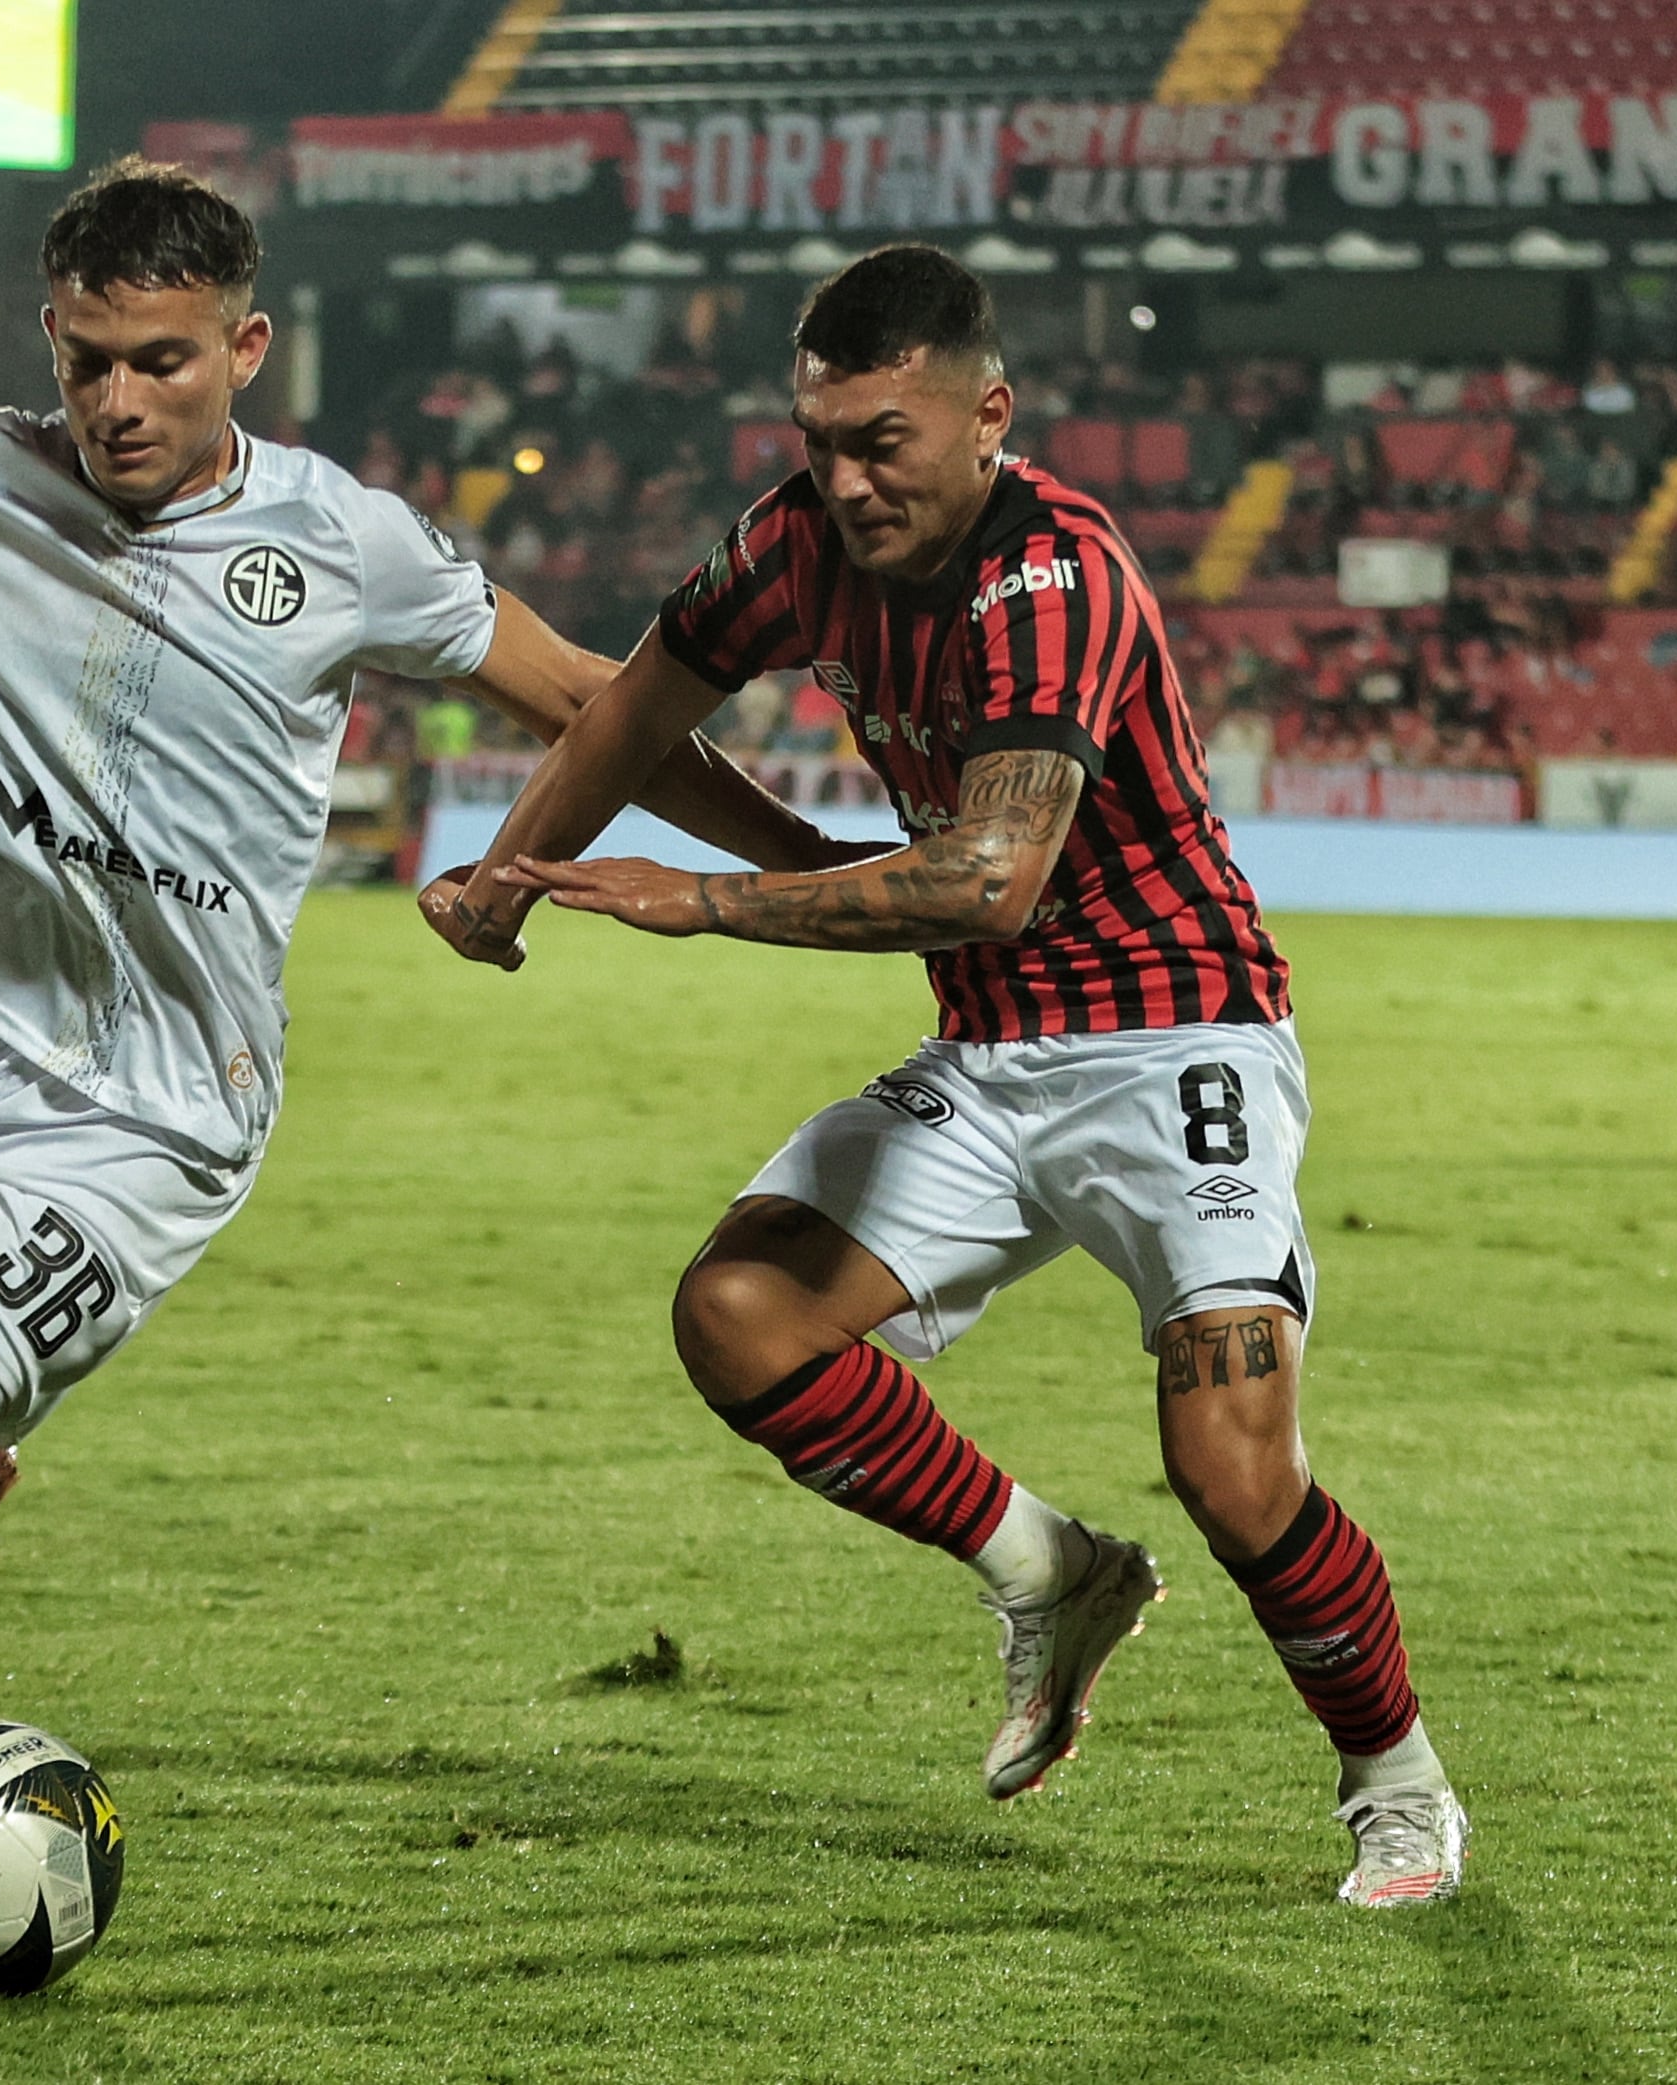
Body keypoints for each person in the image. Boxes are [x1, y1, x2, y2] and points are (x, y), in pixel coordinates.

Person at [0, 133, 852, 1848]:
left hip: (149, 1106)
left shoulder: (337, 541)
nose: (118, 399)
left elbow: (591, 694)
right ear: (47, 345)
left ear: (244, 352)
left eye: (162, 360)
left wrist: (815, 867)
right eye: (85, 359)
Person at [424, 246, 1467, 1909]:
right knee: (738, 1315)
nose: (842, 481)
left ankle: (1393, 1780)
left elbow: (994, 879)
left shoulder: (1053, 575)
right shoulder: (789, 546)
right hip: (991, 1057)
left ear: (989, 415)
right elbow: (635, 702)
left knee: (1232, 1470)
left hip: (1175, 1036)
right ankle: (1047, 1572)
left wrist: (699, 901)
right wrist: (507, 870)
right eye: (819, 439)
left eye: (880, 442)